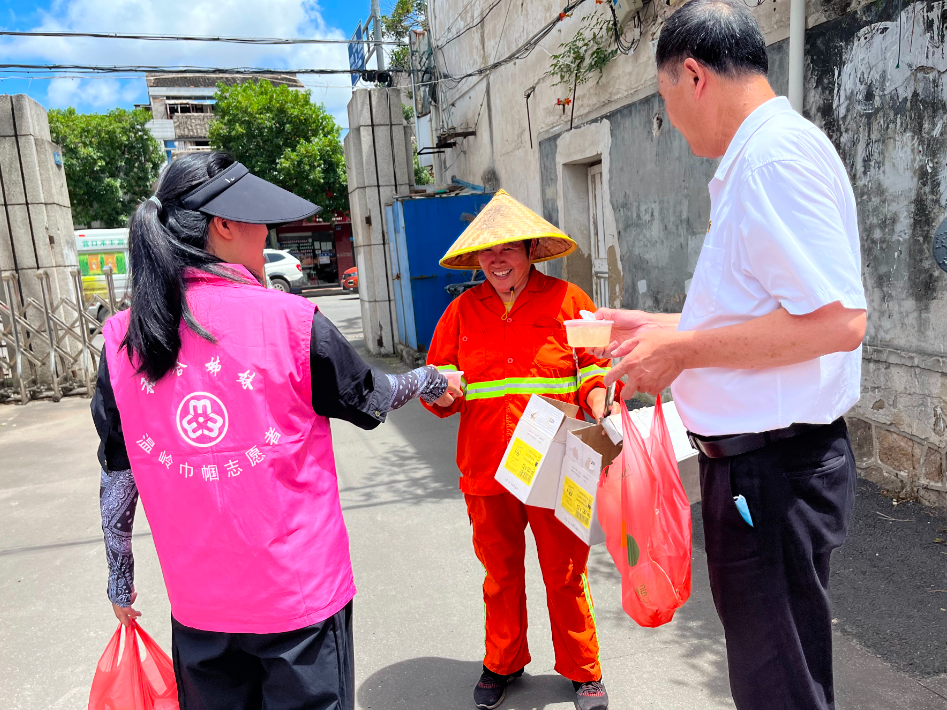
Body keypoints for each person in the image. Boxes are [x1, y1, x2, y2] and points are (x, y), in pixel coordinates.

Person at [92, 151, 462, 710]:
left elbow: (116, 478)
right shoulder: (290, 321)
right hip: (299, 604)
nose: (266, 233)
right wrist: (430, 378)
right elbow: (373, 395)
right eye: (258, 220)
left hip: (199, 609)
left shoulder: (122, 339)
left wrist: (121, 581)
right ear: (224, 225)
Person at [593, 2, 867, 709]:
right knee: (776, 667)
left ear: (692, 75)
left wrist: (681, 348)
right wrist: (656, 325)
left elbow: (837, 321)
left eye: (663, 100)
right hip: (762, 468)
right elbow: (765, 312)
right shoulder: (765, 152)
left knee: (776, 681)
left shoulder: (770, 157)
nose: (670, 119)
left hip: (769, 473)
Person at [423, 190, 620, 710]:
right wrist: (439, 390)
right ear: (476, 260)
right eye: (487, 252)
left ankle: (583, 669)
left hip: (557, 464)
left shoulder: (570, 300)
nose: (496, 260)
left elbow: (595, 366)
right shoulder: (461, 312)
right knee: (500, 572)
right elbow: (438, 379)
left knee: (566, 570)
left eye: (507, 249)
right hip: (486, 469)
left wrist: (598, 398)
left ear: (531, 250)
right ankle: (503, 661)